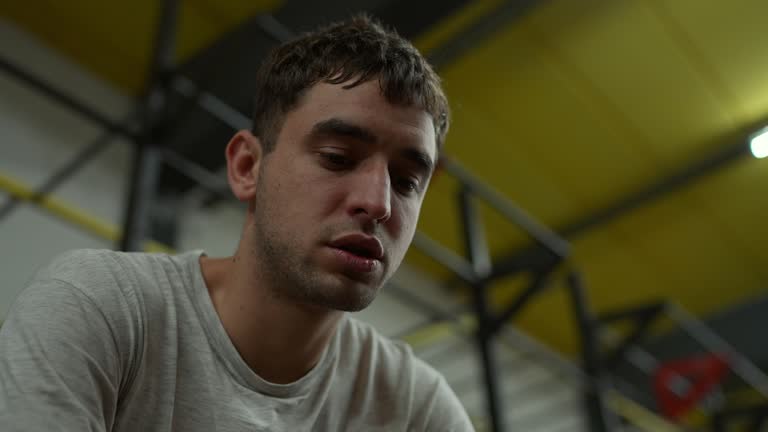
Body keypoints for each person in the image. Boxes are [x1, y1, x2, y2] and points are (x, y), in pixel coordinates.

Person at [0, 15, 474, 431]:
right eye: (337, 157)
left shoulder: (416, 406)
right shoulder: (101, 308)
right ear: (248, 166)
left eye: (408, 181)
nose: (379, 203)